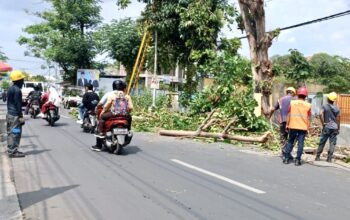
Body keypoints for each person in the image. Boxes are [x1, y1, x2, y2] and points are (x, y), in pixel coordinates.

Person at [91, 80, 133, 151]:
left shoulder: (112, 95)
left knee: (102, 119)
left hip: (113, 114)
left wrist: (103, 112)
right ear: (123, 88)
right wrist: (126, 112)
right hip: (125, 115)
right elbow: (131, 107)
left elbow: (107, 105)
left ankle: (100, 134)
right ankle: (128, 129)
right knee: (130, 118)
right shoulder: (127, 96)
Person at [283, 87, 312, 166]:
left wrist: (287, 124)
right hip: (302, 127)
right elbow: (309, 118)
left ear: (298, 94)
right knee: (300, 143)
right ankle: (297, 160)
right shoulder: (308, 105)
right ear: (305, 96)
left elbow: (289, 114)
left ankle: (286, 159)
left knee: (290, 141)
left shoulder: (292, 103)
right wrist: (308, 128)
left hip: (293, 126)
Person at [268, 87, 296, 155]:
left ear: (287, 92)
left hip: (283, 121)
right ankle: (288, 152)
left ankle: (284, 152)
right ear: (292, 93)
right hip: (292, 122)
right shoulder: (296, 100)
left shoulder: (280, 99)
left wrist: (269, 117)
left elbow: (272, 109)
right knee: (292, 138)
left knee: (283, 137)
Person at [315, 92, 340, 162]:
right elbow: (338, 119)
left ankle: (317, 156)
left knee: (322, 142)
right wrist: (338, 128)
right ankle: (329, 158)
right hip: (334, 128)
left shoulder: (324, 106)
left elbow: (320, 114)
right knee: (332, 143)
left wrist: (323, 123)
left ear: (328, 98)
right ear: (334, 100)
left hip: (326, 127)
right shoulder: (337, 108)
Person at [7, 70, 26, 158]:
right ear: (18, 80)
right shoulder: (17, 90)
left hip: (10, 114)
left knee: (11, 132)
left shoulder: (11, 88)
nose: (23, 82)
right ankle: (13, 151)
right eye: (22, 80)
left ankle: (11, 149)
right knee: (15, 132)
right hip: (15, 116)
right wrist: (21, 116)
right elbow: (18, 105)